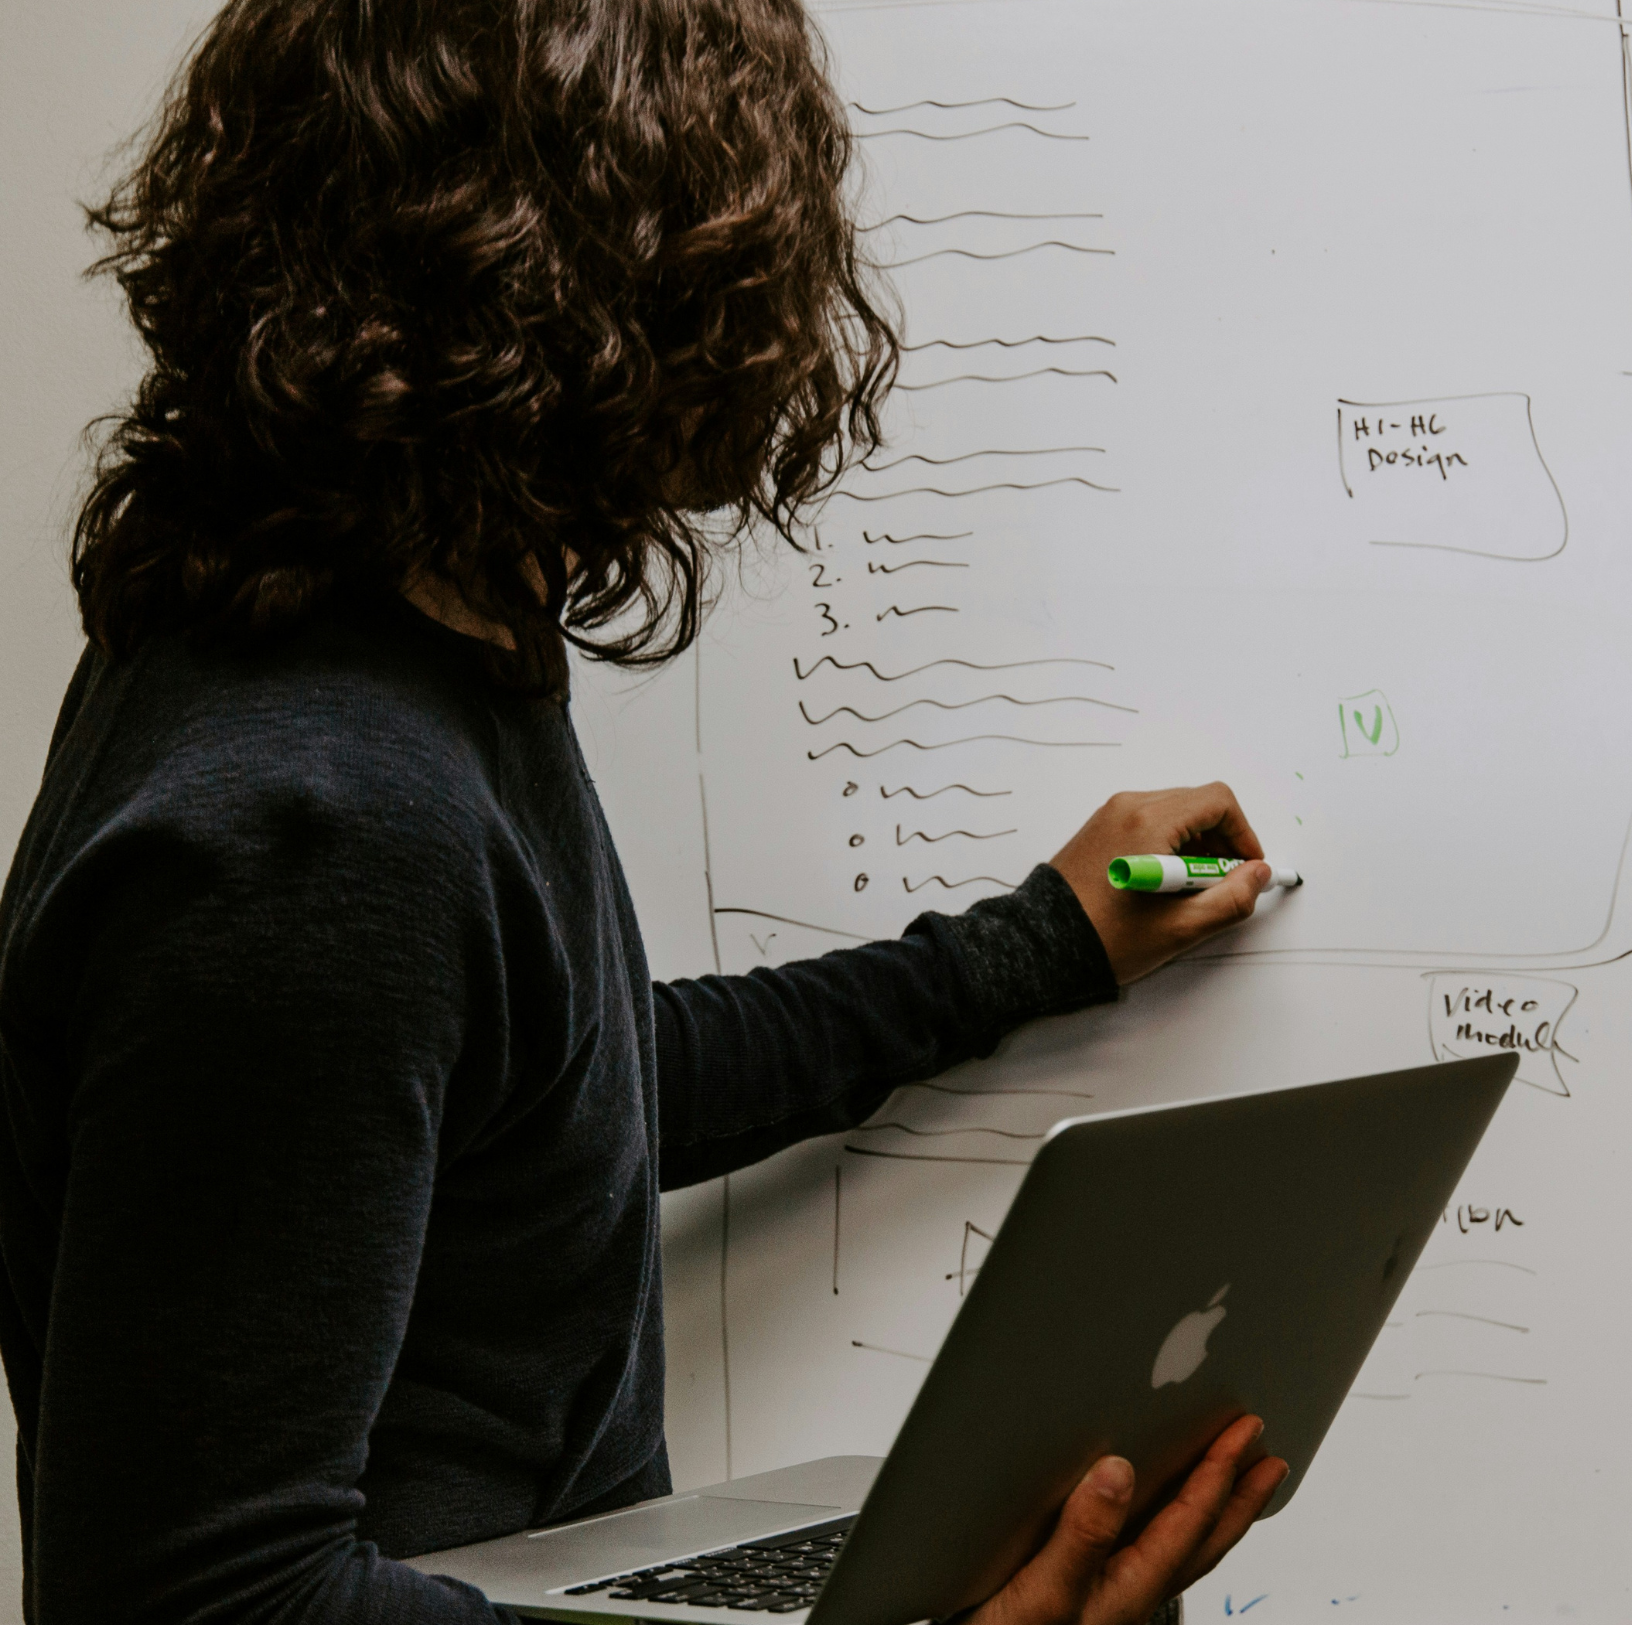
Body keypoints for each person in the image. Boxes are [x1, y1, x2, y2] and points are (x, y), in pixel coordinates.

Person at [0, 0, 1289, 1619]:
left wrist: (1035, 949)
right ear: (608, 304)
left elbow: (555, 1103)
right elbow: (200, 1600)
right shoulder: (310, 819)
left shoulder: (399, 647)